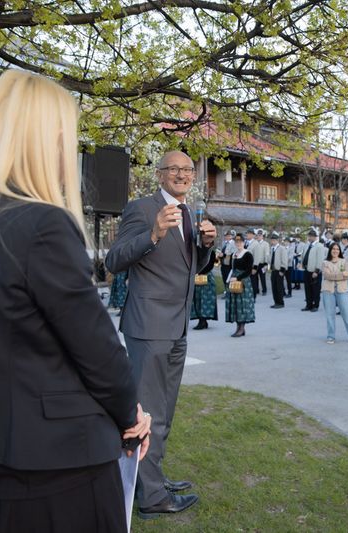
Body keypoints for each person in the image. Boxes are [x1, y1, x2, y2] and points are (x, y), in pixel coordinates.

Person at [0, 70, 149, 532]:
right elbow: (98, 352)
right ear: (51, 139)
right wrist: (132, 417)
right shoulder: (42, 224)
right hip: (58, 472)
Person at [106, 149, 216, 517]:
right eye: (174, 169)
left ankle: (151, 478)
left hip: (177, 326)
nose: (182, 175)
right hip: (148, 328)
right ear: (160, 174)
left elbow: (188, 267)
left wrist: (207, 247)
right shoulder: (141, 208)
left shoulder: (190, 211)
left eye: (187, 169)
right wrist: (153, 232)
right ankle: (151, 499)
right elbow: (114, 259)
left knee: (164, 412)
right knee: (146, 412)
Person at [321, 242, 348, 344]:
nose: (335, 251)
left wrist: (334, 275)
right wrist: (340, 274)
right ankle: (331, 336)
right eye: (333, 249)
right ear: (330, 250)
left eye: (337, 249)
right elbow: (327, 276)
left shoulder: (344, 262)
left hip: (342, 290)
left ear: (340, 251)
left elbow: (347, 275)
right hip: (328, 290)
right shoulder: (325, 262)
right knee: (330, 315)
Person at [225, 233, 256, 337]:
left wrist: (238, 278)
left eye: (240, 242)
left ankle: (242, 328)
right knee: (235, 304)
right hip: (234, 280)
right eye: (236, 242)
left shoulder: (248, 254)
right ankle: (239, 327)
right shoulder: (234, 254)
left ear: (244, 242)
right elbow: (232, 269)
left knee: (242, 305)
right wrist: (229, 279)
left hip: (243, 281)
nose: (238, 244)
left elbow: (248, 271)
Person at [191, 251, 218, 330]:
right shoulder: (196, 250)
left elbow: (211, 265)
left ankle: (203, 320)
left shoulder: (211, 252)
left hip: (207, 276)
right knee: (197, 299)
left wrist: (200, 272)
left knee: (206, 299)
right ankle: (201, 320)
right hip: (197, 276)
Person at [301, 228, 326, 311]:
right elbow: (304, 255)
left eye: (311, 236)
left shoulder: (319, 246)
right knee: (307, 289)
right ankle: (308, 305)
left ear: (315, 237)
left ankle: (316, 305)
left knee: (315, 289)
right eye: (309, 236)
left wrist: (317, 271)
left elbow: (320, 259)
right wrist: (301, 263)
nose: (310, 238)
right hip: (307, 270)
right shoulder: (307, 245)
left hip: (314, 271)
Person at [269, 231, 288, 308]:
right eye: (272, 240)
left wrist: (282, 270)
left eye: (274, 240)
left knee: (279, 287)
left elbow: (284, 260)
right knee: (274, 287)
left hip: (279, 270)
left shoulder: (282, 249)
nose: (272, 241)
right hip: (273, 270)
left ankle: (281, 303)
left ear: (277, 240)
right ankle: (276, 302)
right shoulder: (272, 248)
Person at [254, 229, 271, 295]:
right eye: (257, 235)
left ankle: (264, 290)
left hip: (262, 264)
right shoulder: (255, 243)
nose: (258, 236)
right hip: (255, 263)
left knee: (262, 277)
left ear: (262, 236)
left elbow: (267, 254)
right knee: (255, 278)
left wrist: (266, 264)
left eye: (260, 235)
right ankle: (256, 289)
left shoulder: (265, 244)